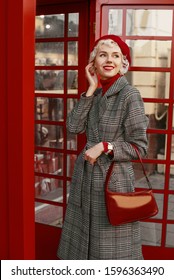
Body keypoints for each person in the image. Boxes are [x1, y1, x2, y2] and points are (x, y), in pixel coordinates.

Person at [57, 34, 149, 260]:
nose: (109, 60)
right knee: (83, 248)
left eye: (116, 56)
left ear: (123, 63)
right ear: (93, 62)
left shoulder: (130, 95)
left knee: (110, 253)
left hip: (112, 181)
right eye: (103, 55)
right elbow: (73, 127)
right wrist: (90, 88)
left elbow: (140, 147)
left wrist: (105, 146)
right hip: (85, 179)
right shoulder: (96, 93)